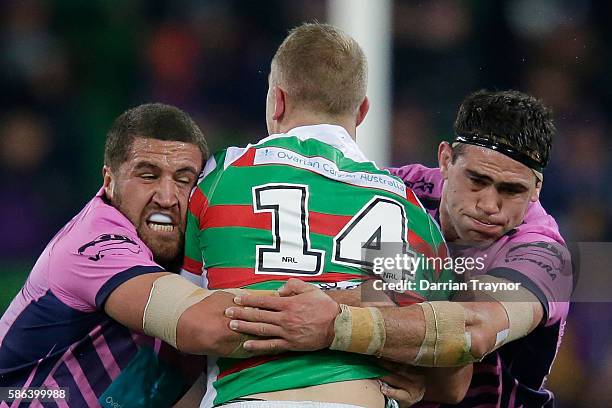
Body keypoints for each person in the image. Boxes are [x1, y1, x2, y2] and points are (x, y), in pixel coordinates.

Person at [181, 23, 467, 408]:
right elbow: (450, 376)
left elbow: (186, 322)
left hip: (249, 396)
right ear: (363, 110)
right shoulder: (410, 210)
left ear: (277, 100)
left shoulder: (220, 179)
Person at [228, 90, 573, 407]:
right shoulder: (401, 190)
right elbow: (356, 283)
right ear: (446, 159)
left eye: (511, 190)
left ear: (536, 188)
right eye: (477, 181)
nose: (489, 204)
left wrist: (337, 322)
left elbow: (470, 331)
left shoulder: (543, 256)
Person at [0, 103, 273, 407]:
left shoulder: (192, 255)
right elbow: (205, 326)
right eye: (147, 176)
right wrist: (327, 316)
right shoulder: (94, 245)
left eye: (183, 179)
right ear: (109, 181)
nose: (167, 198)